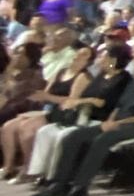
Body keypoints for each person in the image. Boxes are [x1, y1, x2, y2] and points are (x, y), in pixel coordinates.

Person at [33, 48, 134, 196]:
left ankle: (80, 187)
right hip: (116, 123)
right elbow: (118, 106)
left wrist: (120, 123)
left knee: (101, 140)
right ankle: (60, 184)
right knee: (72, 137)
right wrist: (109, 121)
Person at [2, 43, 92, 182]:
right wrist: (41, 98)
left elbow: (71, 101)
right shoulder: (61, 72)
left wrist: (48, 98)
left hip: (64, 112)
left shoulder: (83, 77)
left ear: (88, 61)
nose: (78, 56)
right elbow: (46, 92)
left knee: (26, 129)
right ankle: (9, 167)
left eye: (84, 55)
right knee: (8, 127)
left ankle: (28, 169)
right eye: (78, 53)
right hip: (47, 109)